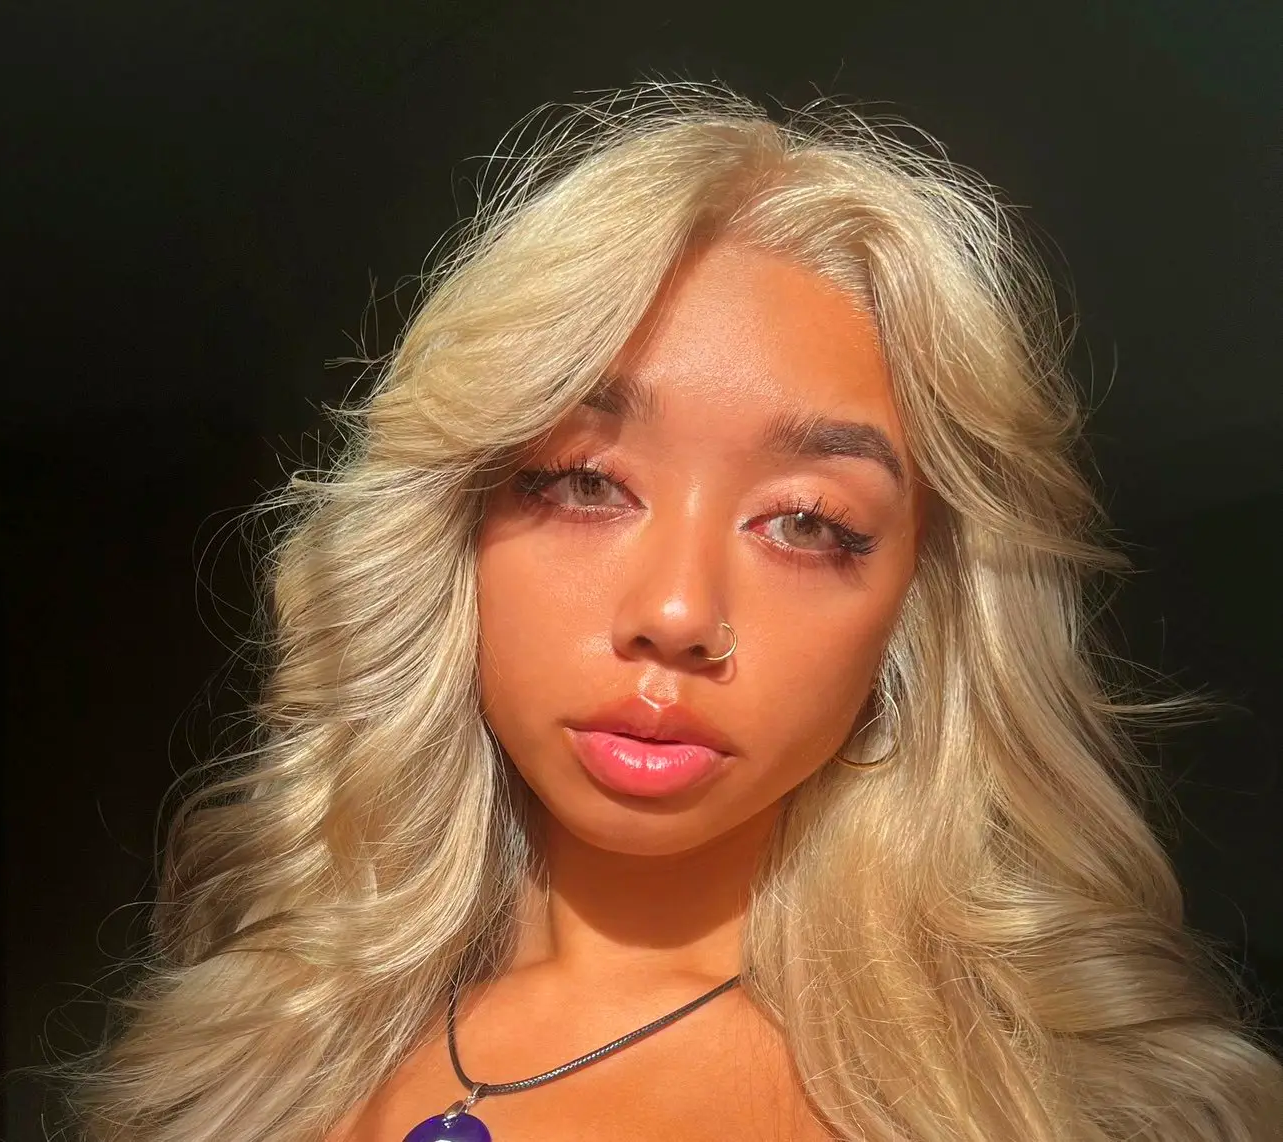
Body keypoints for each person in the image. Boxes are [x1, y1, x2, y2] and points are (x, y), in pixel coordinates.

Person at [70, 84, 1283, 1141]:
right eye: (583, 482)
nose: (676, 610)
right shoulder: (249, 1036)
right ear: (451, 534)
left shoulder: (1067, 1103)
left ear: (915, 612)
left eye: (807, 521)